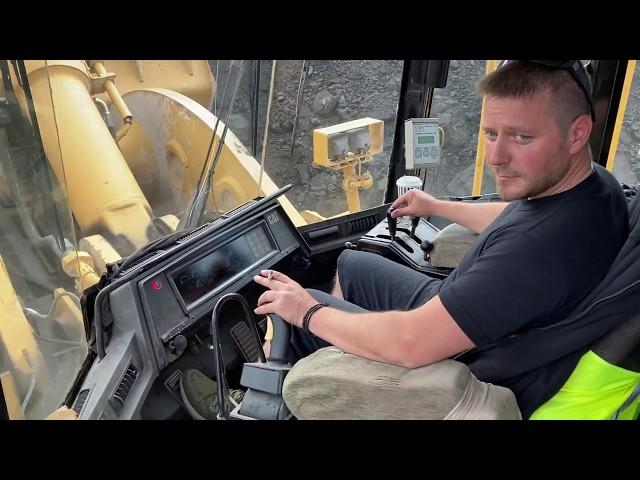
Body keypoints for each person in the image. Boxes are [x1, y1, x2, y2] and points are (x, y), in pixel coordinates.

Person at [182, 60, 629, 420]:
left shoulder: (534, 254)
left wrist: (308, 310)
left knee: (298, 314)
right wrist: (436, 206)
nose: (497, 157)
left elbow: (411, 343)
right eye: (492, 133)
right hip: (488, 313)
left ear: (578, 133)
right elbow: (511, 214)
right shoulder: (597, 189)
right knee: (355, 266)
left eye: (521, 137)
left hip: (466, 354)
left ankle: (255, 402)